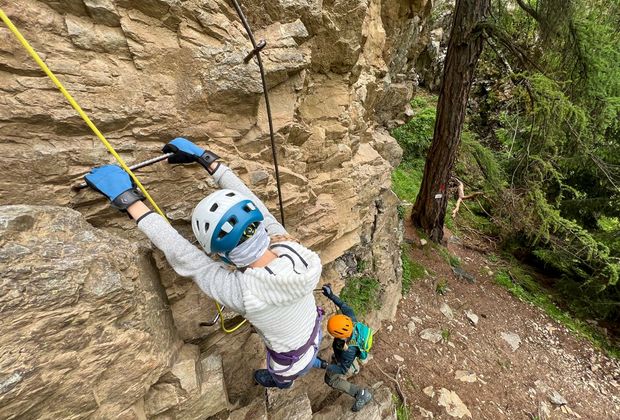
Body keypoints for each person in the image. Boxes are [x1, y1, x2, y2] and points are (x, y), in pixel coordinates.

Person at [84, 137, 323, 389]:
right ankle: (302, 369)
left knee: (283, 378)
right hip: (313, 332)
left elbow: (188, 257)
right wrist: (209, 161)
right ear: (260, 230)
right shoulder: (292, 249)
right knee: (307, 358)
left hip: (288, 364)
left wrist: (128, 200)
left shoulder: (245, 294)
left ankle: (277, 382)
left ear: (223, 256)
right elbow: (259, 209)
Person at [320, 285, 373, 412]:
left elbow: (342, 369)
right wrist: (330, 295)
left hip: (345, 361)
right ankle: (354, 367)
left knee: (331, 380)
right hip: (348, 356)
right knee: (343, 360)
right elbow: (343, 305)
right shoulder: (351, 321)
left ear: (339, 335)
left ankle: (360, 394)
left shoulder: (348, 351)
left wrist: (322, 364)